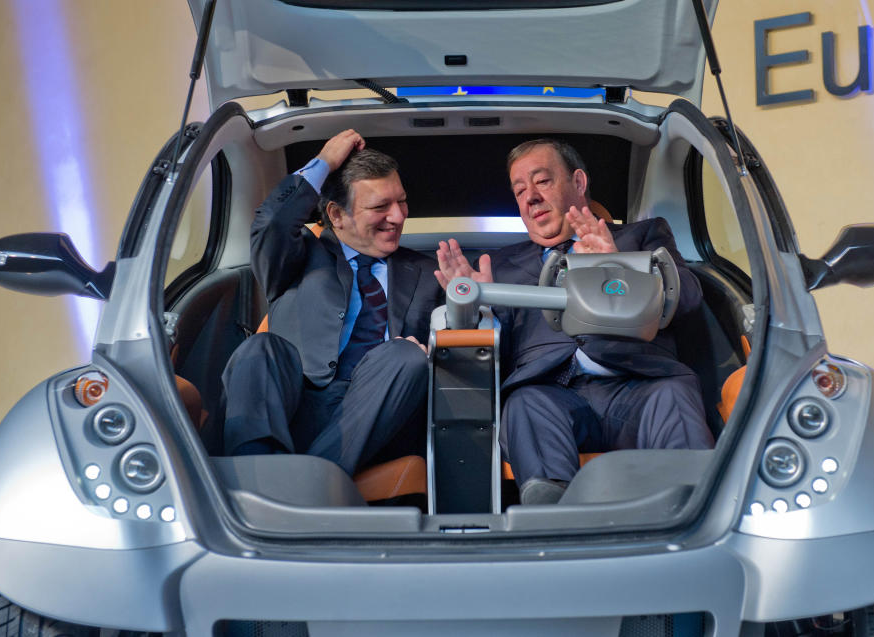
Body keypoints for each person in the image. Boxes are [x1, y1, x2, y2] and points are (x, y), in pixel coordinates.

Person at [435, 138, 714, 504]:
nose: (530, 197)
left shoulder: (641, 236)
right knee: (524, 403)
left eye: (542, 181)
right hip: (551, 394)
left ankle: (691, 513)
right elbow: (488, 359)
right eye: (519, 190)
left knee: (674, 395)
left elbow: (689, 298)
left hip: (640, 386)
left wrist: (618, 263)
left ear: (578, 183)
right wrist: (477, 310)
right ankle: (552, 518)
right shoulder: (499, 264)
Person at [221, 129, 443, 477]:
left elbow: (467, 347)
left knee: (406, 355)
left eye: (401, 201)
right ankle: (254, 477)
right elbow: (272, 222)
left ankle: (302, 487)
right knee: (259, 348)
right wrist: (324, 162)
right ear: (336, 215)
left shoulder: (430, 271)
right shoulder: (295, 258)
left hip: (380, 412)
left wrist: (472, 303)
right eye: (380, 206)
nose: (399, 216)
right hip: (295, 404)